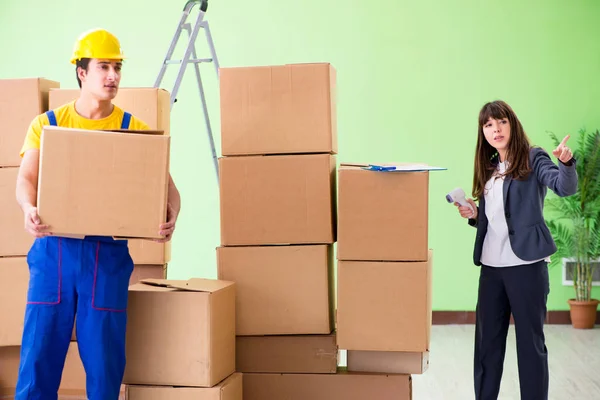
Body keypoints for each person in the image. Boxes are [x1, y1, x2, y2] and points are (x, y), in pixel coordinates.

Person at [14, 28, 181, 399]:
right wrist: (28, 208)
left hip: (105, 258)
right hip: (53, 252)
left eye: (118, 67)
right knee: (38, 357)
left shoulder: (132, 130)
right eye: (104, 66)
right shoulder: (48, 126)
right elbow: (26, 179)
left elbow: (169, 191)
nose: (113, 76)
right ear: (82, 73)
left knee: (104, 364)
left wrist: (171, 214)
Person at [454, 100, 577, 400]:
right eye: (488, 125)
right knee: (487, 347)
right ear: (482, 133)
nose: (495, 129)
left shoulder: (533, 158)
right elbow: (498, 217)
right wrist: (475, 214)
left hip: (526, 267)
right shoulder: (490, 167)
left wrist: (566, 163)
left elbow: (564, 187)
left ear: (513, 124)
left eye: (501, 122)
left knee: (530, 346)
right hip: (492, 268)